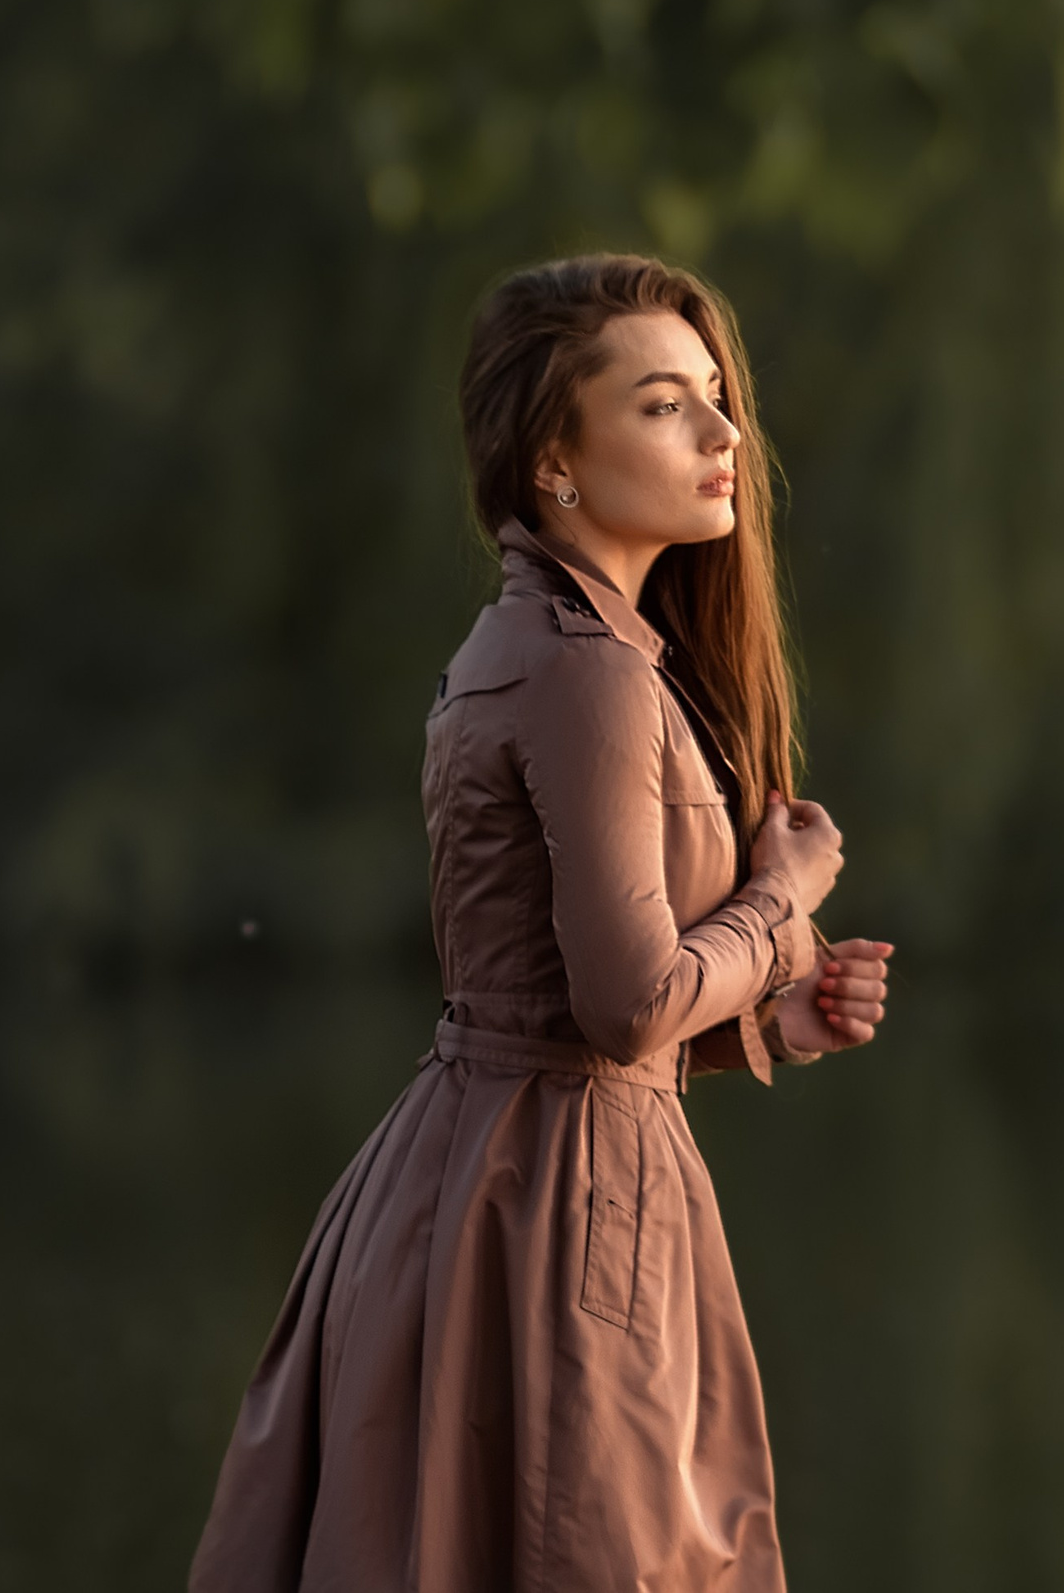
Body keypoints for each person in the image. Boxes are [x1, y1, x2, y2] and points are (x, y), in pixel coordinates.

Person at [189, 254, 891, 1593]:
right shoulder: (587, 674)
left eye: (716, 398)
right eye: (663, 405)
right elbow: (621, 1007)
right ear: (553, 461)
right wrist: (779, 898)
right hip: (562, 1206)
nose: (723, 433)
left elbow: (559, 986)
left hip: (488, 1170)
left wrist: (770, 1015)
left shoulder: (540, 644)